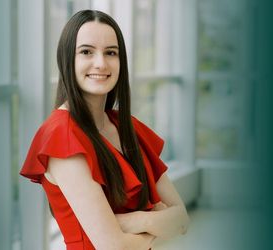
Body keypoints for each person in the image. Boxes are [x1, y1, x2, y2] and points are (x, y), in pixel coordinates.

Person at [20, 9, 190, 250]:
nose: (100, 63)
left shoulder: (126, 126)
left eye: (111, 52)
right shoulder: (62, 135)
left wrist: (135, 220)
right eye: (87, 52)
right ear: (67, 60)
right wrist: (157, 221)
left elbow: (181, 219)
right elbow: (113, 247)